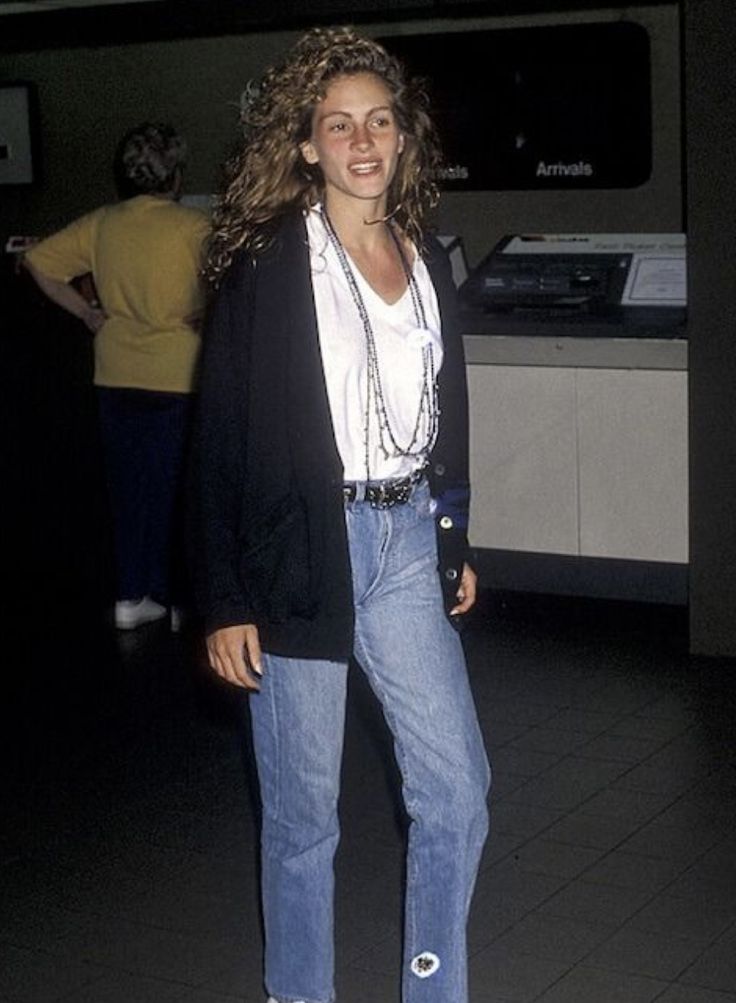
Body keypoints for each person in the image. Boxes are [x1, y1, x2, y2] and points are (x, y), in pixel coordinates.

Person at [189, 27, 490, 1003]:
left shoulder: (425, 258)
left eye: (379, 121)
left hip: (404, 542)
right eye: (338, 125)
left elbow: (445, 421)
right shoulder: (268, 264)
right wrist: (226, 594)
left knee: (457, 789)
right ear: (307, 145)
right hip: (297, 554)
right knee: (304, 816)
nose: (363, 140)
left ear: (403, 137)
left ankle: (433, 986)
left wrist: (453, 536)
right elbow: (219, 438)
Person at [24, 123, 209, 630]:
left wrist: (86, 313)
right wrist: (203, 313)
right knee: (175, 492)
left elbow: (38, 262)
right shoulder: (194, 228)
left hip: (115, 374)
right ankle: (176, 603)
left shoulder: (102, 223)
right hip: (178, 376)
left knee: (128, 491)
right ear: (174, 176)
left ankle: (130, 598)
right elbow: (226, 286)